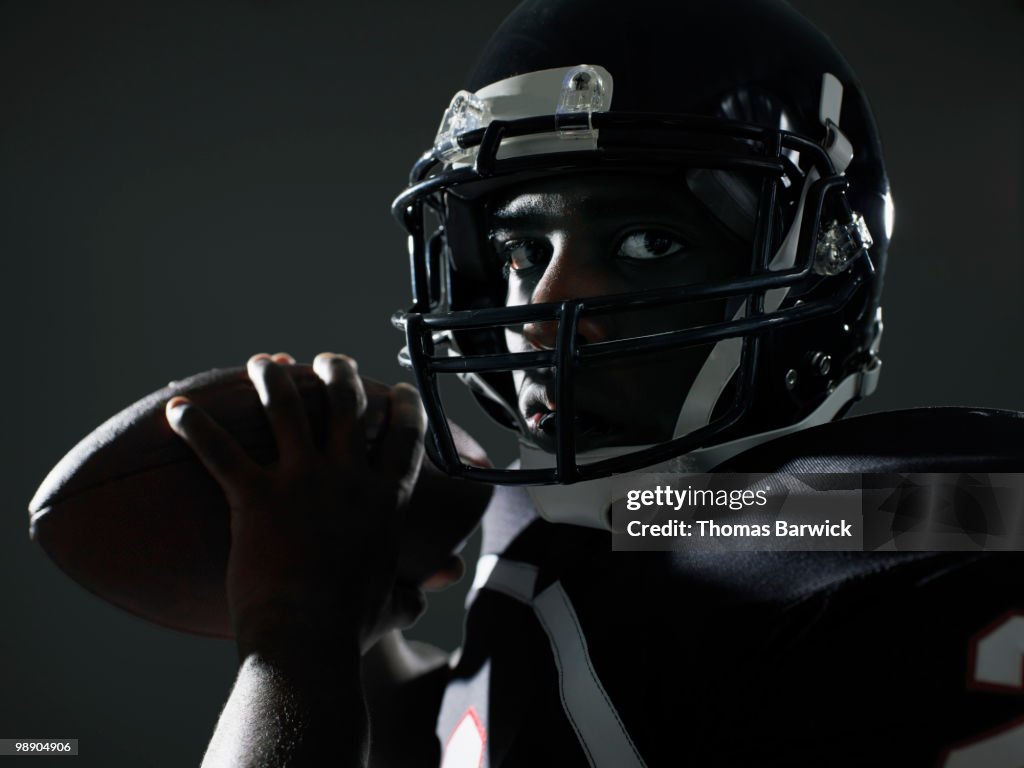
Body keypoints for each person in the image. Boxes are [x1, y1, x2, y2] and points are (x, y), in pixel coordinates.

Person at [166, 0, 1024, 765]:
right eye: (517, 252)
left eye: (648, 242)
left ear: (820, 261)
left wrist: (293, 637)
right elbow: (517, 728)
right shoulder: (619, 519)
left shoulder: (918, 539)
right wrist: (357, 626)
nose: (542, 308)